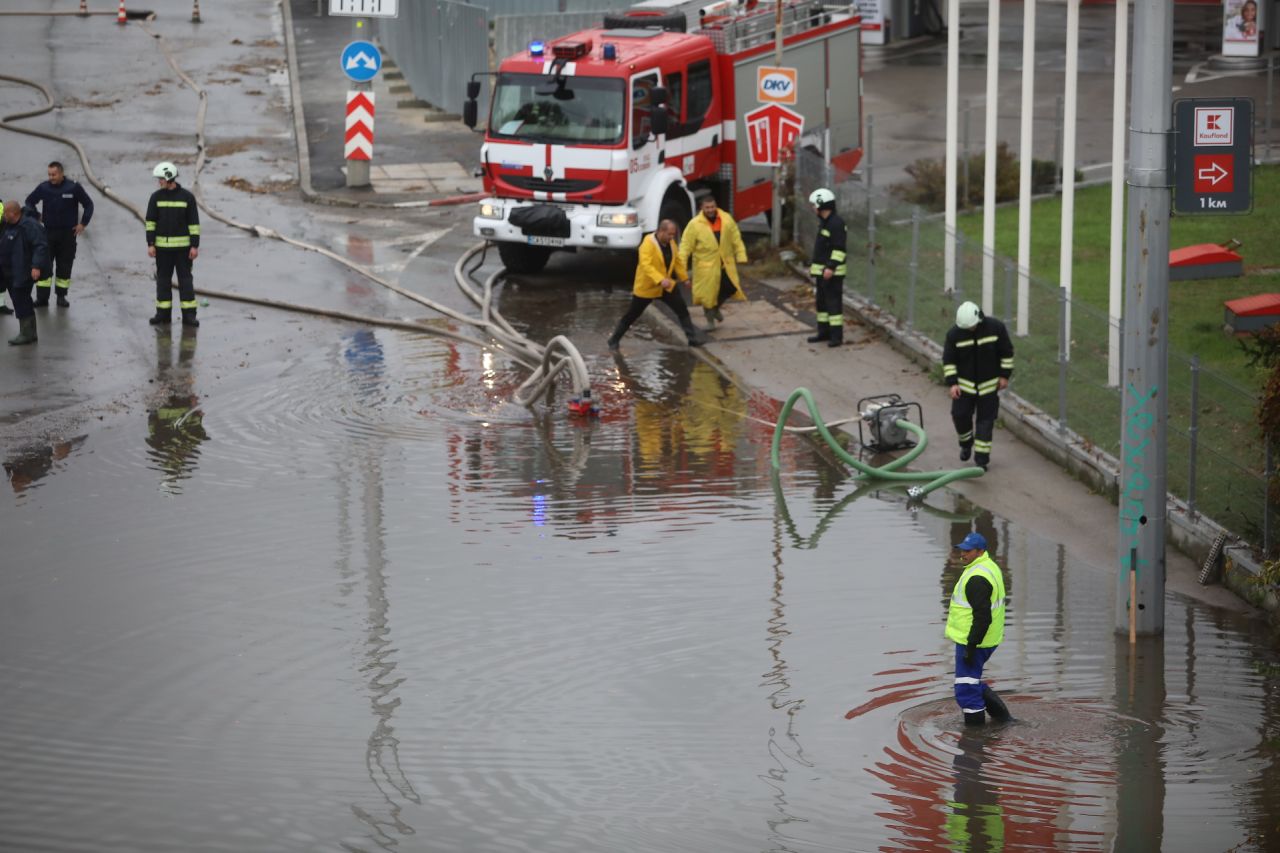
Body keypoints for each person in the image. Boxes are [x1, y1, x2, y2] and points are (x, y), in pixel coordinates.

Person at [607, 219, 701, 350]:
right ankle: (614, 339)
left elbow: (678, 262)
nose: (672, 237)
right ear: (661, 231)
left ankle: (692, 339)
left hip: (666, 286)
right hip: (648, 287)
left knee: (682, 309)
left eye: (673, 234)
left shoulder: (671, 243)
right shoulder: (647, 244)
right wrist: (660, 279)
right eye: (669, 234)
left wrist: (684, 278)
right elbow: (646, 265)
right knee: (632, 314)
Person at [943, 301, 1014, 470]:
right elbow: (949, 361)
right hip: (964, 388)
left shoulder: (996, 328)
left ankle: (981, 460)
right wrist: (953, 384)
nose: (970, 330)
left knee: (985, 423)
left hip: (989, 387)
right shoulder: (954, 335)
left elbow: (1007, 353)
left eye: (972, 327)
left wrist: (1004, 376)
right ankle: (966, 443)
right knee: (960, 416)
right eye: (966, 328)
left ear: (979, 318)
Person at [946, 531, 1007, 727]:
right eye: (961, 550)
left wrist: (971, 646)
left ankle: (975, 739)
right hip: (986, 638)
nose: (962, 554)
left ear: (980, 551)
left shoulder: (977, 578)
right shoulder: (987, 566)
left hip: (973, 641)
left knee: (966, 689)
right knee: (972, 682)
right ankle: (1004, 720)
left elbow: (982, 617)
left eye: (968, 551)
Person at [26, 160, 94, 308]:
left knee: (64, 266)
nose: (51, 177)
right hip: (48, 234)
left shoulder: (73, 187)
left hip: (67, 235)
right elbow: (29, 202)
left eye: (54, 174)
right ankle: (42, 298)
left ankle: (61, 297)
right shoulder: (44, 188)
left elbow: (88, 204)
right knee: (44, 265)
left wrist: (83, 223)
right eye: (49, 174)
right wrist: (36, 216)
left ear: (61, 173)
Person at [145, 160, 201, 327]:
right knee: (163, 282)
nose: (159, 182)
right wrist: (150, 243)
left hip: (183, 251)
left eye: (161, 178)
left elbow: (194, 224)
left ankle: (189, 316)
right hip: (162, 250)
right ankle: (163, 314)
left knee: (185, 283)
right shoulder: (155, 198)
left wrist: (194, 246)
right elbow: (150, 223)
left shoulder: (187, 198)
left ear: (169, 177)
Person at [679, 195, 747, 330]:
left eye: (712, 207)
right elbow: (686, 246)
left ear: (716, 206)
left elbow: (735, 238)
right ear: (702, 208)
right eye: (707, 207)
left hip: (725, 264)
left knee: (730, 287)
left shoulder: (726, 219)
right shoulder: (694, 224)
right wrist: (680, 266)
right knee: (707, 294)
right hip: (705, 267)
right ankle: (710, 321)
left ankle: (715, 309)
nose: (710, 210)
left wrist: (741, 255)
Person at [0, 199, 49, 346]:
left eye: (5, 213)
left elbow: (40, 246)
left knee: (21, 299)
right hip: (11, 270)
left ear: (13, 213)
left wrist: (36, 266)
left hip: (22, 270)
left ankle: (26, 333)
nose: (3, 216)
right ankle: (30, 332)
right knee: (21, 299)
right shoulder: (10, 225)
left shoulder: (29, 226)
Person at [806, 187, 848, 347]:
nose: (813, 208)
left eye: (814, 205)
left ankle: (836, 337)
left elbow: (839, 249)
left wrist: (830, 267)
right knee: (822, 304)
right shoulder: (825, 223)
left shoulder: (836, 224)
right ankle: (823, 333)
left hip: (832, 273)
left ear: (821, 204)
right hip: (822, 273)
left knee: (833, 304)